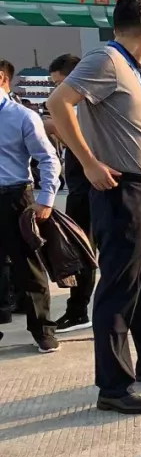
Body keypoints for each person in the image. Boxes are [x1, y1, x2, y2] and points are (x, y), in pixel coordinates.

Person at [47, 0, 141, 414]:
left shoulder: (128, 68)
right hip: (122, 191)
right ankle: (113, 386)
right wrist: (89, 162)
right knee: (120, 287)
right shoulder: (106, 59)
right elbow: (58, 103)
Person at [0, 57, 60, 353]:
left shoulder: (22, 116)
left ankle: (43, 330)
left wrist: (46, 198)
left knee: (28, 266)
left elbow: (47, 158)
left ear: (3, 79)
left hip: (14, 198)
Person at [45, 54, 95, 334]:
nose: (57, 90)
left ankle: (78, 311)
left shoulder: (88, 109)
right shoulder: (76, 107)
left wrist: (56, 128)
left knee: (84, 250)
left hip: (92, 188)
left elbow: (83, 145)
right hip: (81, 187)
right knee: (83, 250)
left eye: (60, 83)